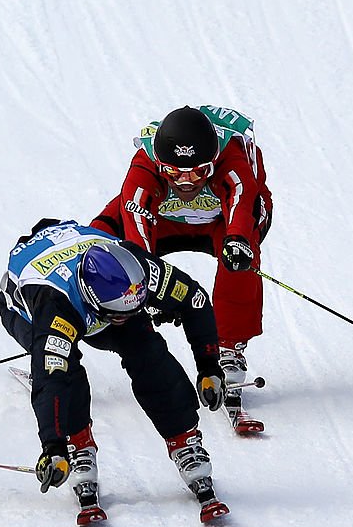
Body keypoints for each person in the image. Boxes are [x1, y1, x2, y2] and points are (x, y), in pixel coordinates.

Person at [0, 218, 230, 524]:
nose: (128, 317)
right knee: (66, 369)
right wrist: (52, 446)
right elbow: (51, 379)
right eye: (118, 314)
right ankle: (76, 444)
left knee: (146, 347)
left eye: (136, 307)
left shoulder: (138, 268)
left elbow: (194, 300)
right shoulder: (55, 305)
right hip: (28, 312)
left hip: (102, 297)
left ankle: (185, 440)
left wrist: (209, 366)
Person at [91, 105, 273, 386]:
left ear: (213, 161)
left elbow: (242, 200)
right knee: (97, 245)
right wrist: (148, 293)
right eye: (173, 173)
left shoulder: (231, 157)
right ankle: (68, 327)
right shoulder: (144, 165)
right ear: (159, 164)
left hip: (220, 220)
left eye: (199, 172)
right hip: (162, 220)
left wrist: (237, 239)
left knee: (240, 253)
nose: (186, 182)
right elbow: (136, 236)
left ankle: (230, 347)